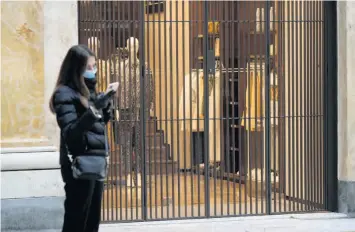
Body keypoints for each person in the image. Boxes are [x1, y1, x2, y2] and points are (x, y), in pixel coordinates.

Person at [49, 45, 113, 232]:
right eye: (89, 68)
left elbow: (95, 128)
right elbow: (71, 132)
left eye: (95, 66)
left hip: (95, 161)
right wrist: (94, 111)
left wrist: (105, 110)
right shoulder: (64, 94)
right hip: (77, 164)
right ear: (76, 69)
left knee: (92, 221)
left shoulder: (88, 92)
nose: (93, 71)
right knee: (76, 219)